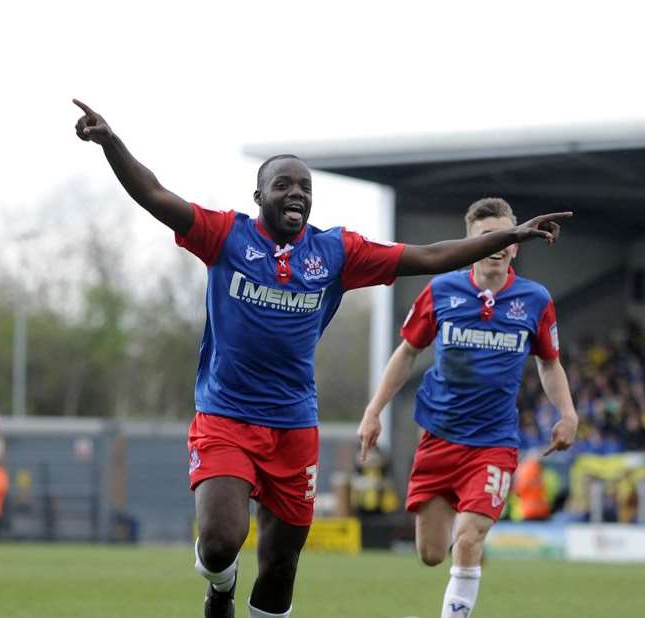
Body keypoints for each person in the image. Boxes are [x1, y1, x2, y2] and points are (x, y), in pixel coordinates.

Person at [73, 100, 571, 618]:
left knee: (281, 564)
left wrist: (508, 235)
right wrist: (111, 142)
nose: (296, 194)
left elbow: (426, 256)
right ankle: (220, 587)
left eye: (305, 188)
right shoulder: (226, 236)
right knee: (221, 541)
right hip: (226, 417)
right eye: (284, 185)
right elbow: (155, 195)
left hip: (293, 425)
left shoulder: (336, 253)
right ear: (259, 195)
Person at [358, 198, 578, 618]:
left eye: (504, 237)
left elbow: (549, 362)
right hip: (438, 438)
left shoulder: (535, 299)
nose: (496, 245)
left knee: (469, 536)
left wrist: (567, 414)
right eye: (485, 237)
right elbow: (406, 353)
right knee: (430, 553)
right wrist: (373, 411)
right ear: (469, 243)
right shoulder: (442, 290)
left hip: (493, 443)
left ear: (515, 244)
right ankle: (463, 544)